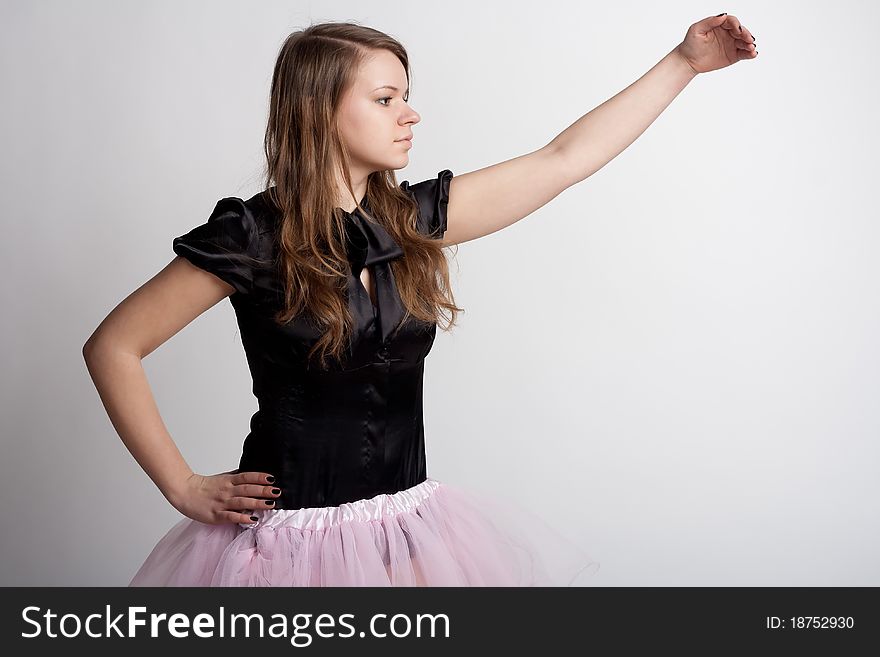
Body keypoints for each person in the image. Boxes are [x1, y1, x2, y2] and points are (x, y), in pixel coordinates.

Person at [82, 15, 756, 586]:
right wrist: (182, 484)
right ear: (319, 109)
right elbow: (114, 345)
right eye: (384, 99)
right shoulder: (252, 236)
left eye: (405, 95)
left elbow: (563, 159)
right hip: (287, 545)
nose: (410, 113)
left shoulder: (411, 219)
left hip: (407, 533)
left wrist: (684, 62)